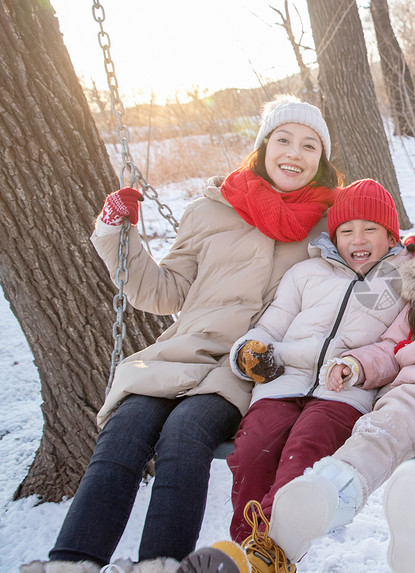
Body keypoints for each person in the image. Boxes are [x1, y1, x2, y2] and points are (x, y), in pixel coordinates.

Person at [21, 95, 341, 573]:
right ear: (263, 146)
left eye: (309, 145)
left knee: (184, 433)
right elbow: (164, 293)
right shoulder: (211, 210)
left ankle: (163, 566)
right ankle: (72, 562)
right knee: (123, 433)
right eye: (283, 139)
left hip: (244, 367)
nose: (294, 153)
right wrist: (119, 236)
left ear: (320, 161)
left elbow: (365, 265)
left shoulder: (324, 227)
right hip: (180, 354)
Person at [178, 201, 415, 573]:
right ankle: (334, 489)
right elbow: (388, 347)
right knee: (376, 433)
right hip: (407, 392)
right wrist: (356, 365)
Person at [224, 178, 408, 550]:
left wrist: (357, 366)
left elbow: (394, 347)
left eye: (370, 229)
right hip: (280, 384)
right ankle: (248, 546)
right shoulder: (306, 274)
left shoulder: (399, 281)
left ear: (391, 237)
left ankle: (270, 550)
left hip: (343, 393)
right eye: (346, 230)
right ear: (333, 237)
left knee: (304, 452)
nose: (357, 240)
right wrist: (247, 353)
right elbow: (268, 327)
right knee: (251, 452)